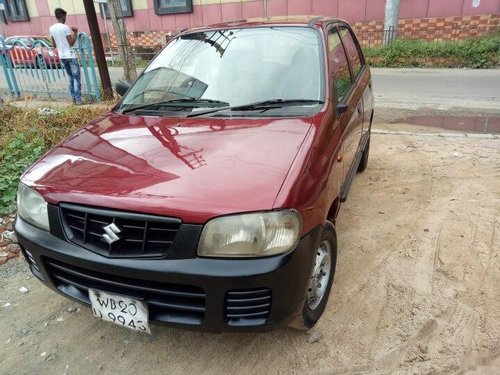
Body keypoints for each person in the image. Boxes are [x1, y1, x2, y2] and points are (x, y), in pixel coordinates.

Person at [49, 8, 82, 105]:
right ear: (63, 16)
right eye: (65, 16)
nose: (65, 18)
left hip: (62, 56)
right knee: (76, 77)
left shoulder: (51, 28)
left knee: (71, 77)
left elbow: (54, 45)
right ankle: (78, 99)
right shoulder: (65, 27)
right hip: (70, 55)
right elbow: (71, 43)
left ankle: (73, 99)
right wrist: (75, 33)